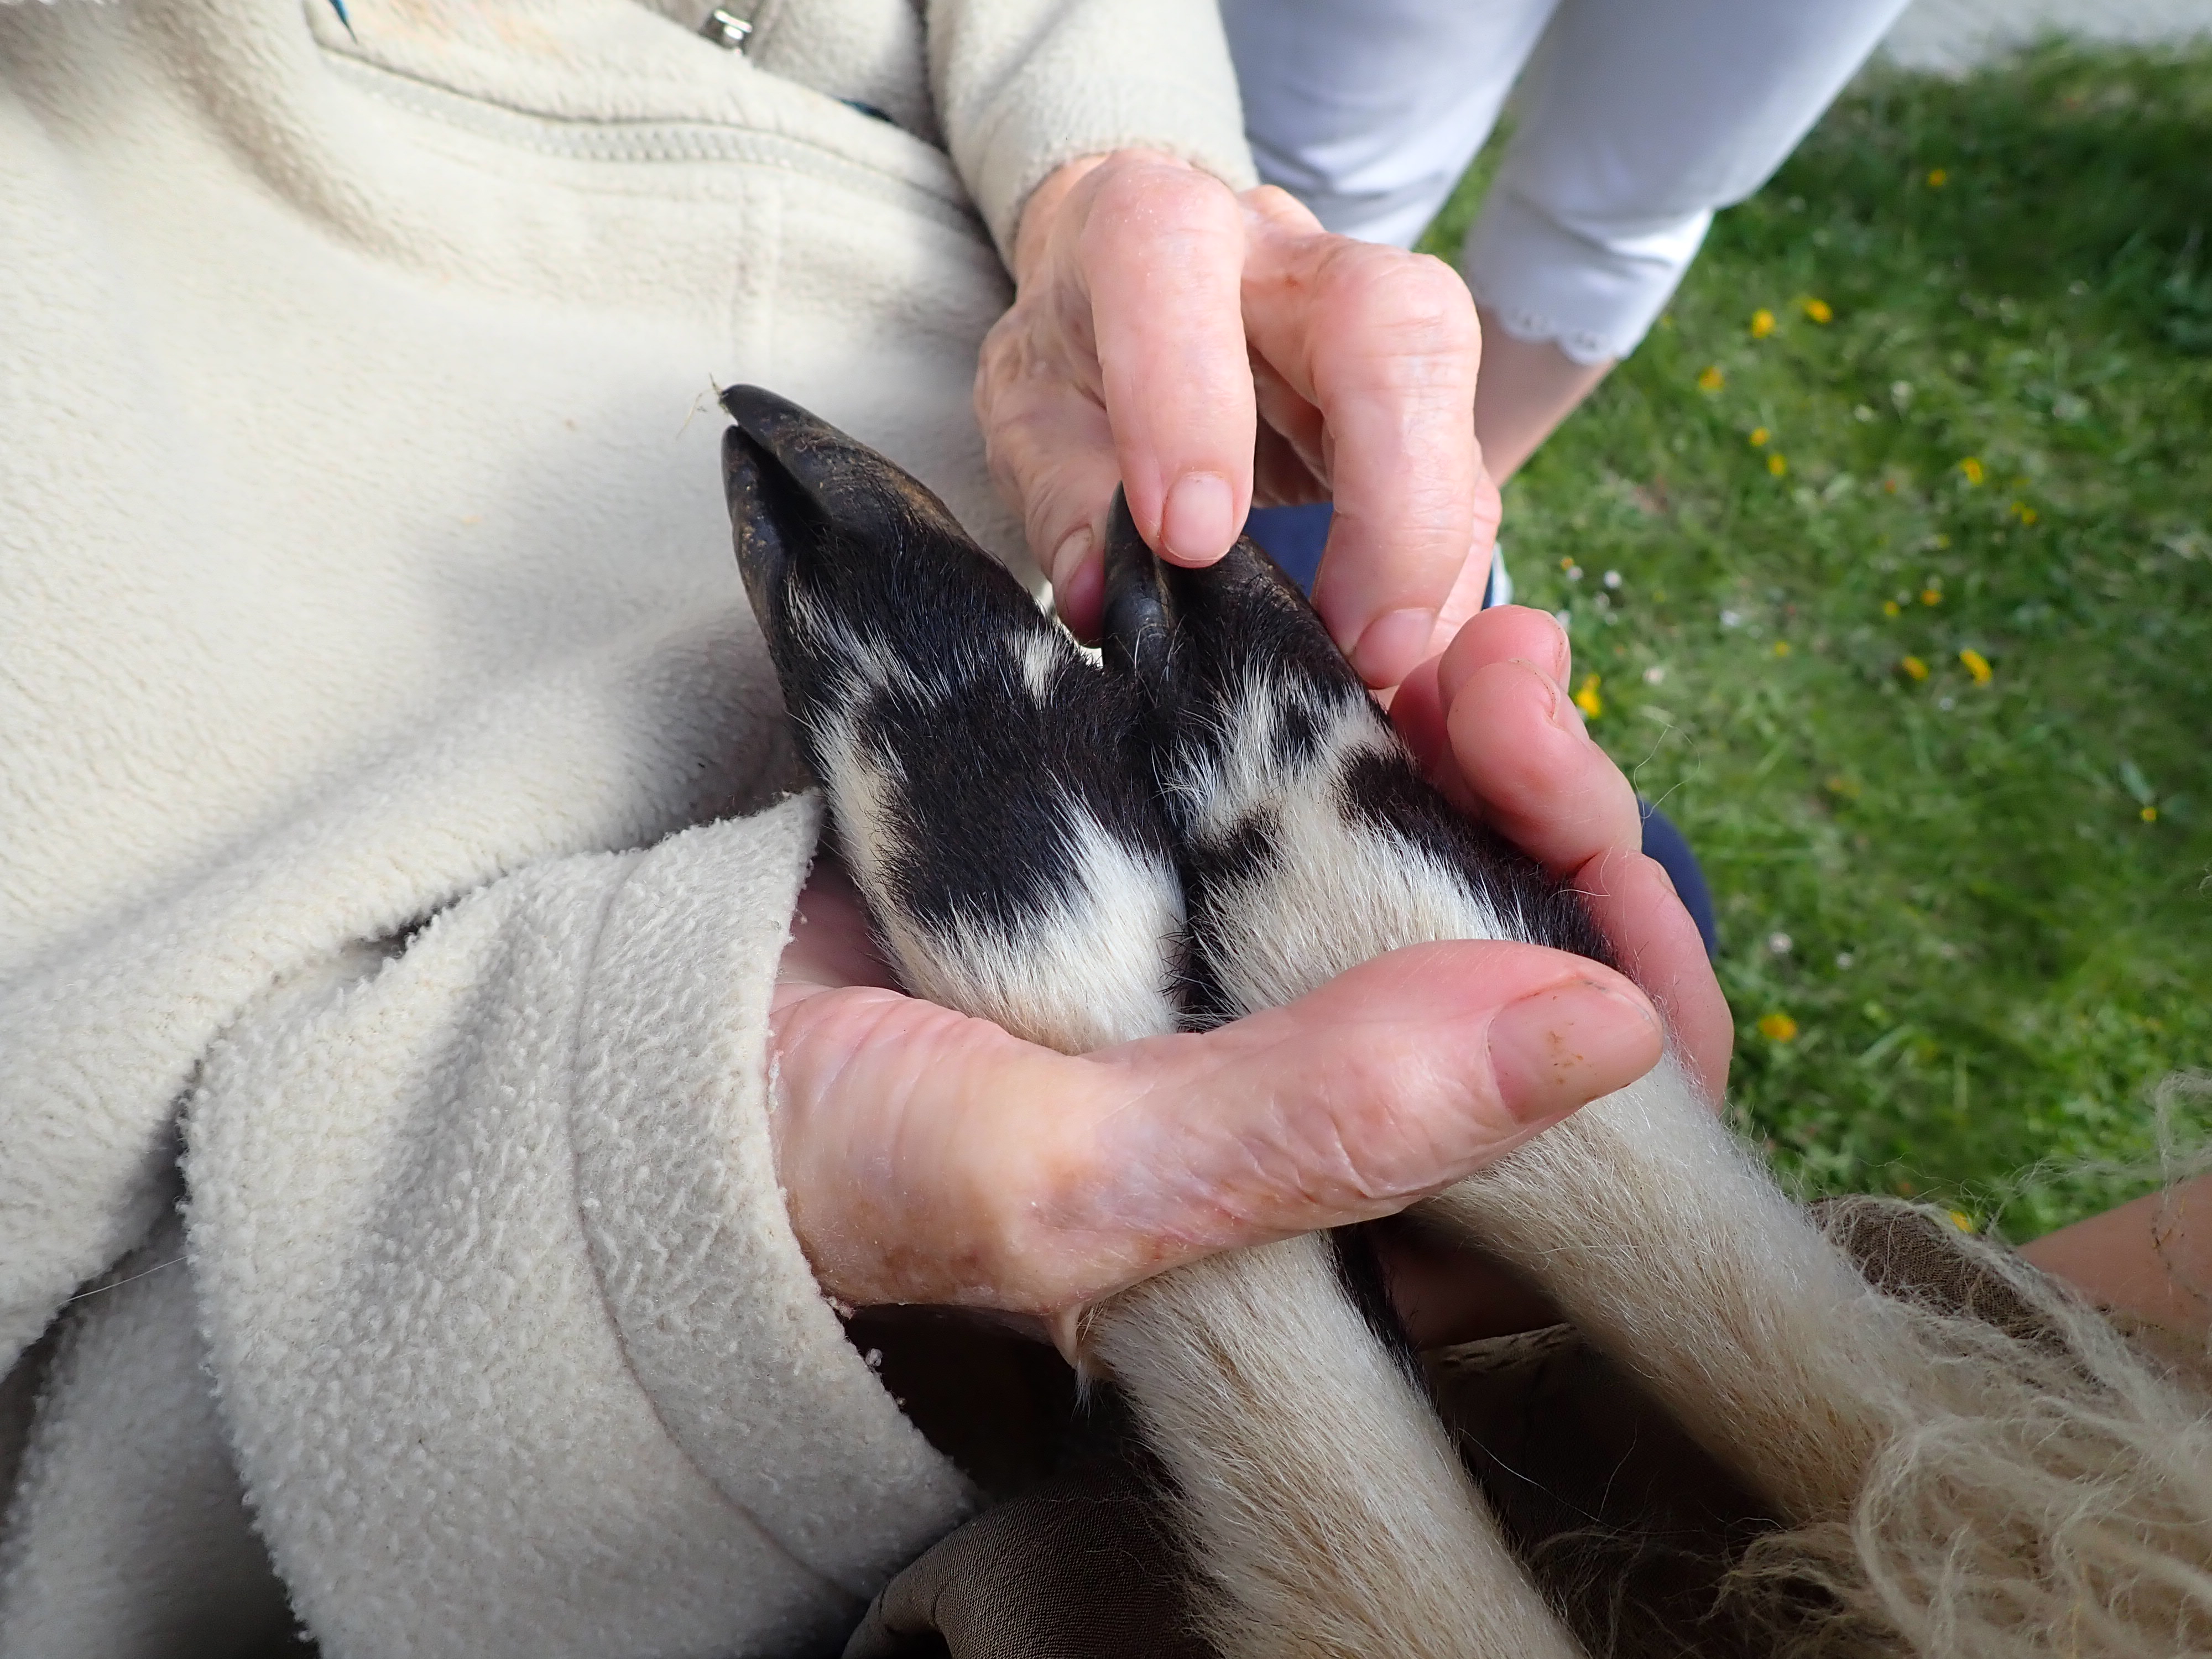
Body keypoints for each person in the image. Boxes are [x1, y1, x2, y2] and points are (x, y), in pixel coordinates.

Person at [0, 0, 1712, 1651]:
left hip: (1025, 440)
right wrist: (681, 1208)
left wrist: (1102, 174)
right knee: (1600, 950)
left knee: (1582, 907)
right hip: (643, 1003)